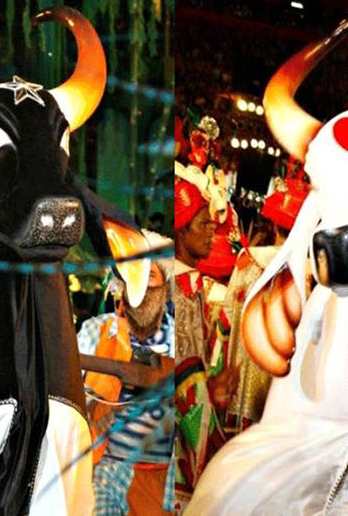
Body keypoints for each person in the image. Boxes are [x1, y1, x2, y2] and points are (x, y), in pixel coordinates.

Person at [77, 230, 175, 516]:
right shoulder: (95, 332)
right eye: (135, 276)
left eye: (151, 276)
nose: (141, 286)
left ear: (166, 287)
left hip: (162, 478)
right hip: (105, 470)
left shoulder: (179, 338)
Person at [173, 175, 238, 511]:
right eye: (203, 225)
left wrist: (213, 388)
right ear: (180, 232)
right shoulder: (176, 291)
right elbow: (183, 378)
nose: (213, 231)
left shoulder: (193, 287)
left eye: (213, 224)